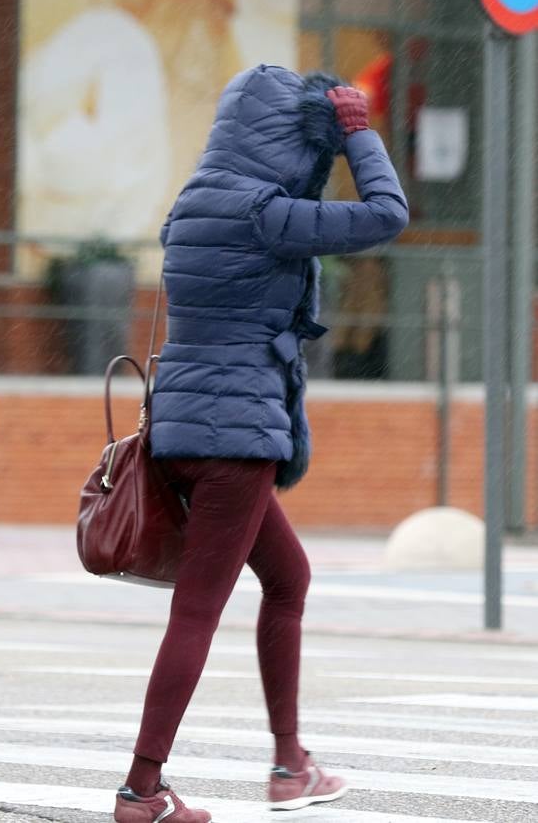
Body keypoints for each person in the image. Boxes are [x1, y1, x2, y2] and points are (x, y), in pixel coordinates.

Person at [113, 67, 407, 822]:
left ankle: (290, 764)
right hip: (236, 435)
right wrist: (357, 134)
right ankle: (142, 790)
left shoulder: (192, 204)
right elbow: (386, 214)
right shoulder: (267, 213)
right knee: (197, 612)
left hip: (183, 426)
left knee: (288, 577)